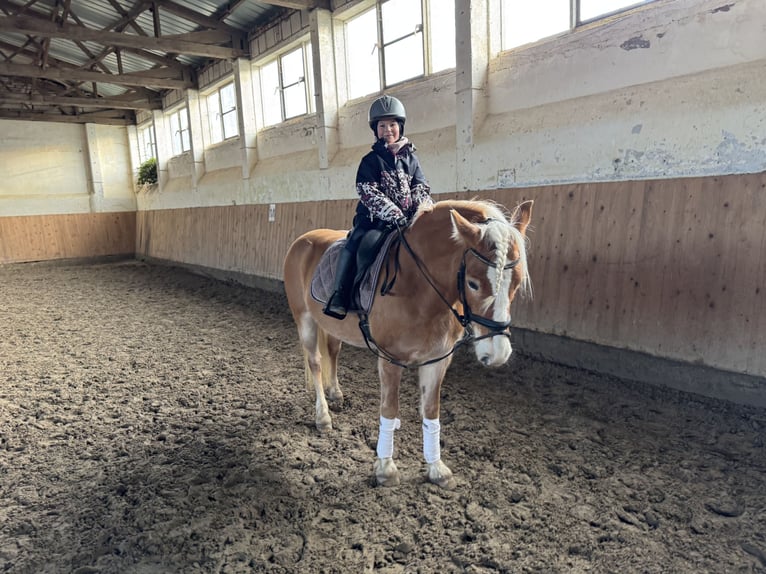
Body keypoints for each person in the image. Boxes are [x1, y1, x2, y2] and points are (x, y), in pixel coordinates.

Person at [323, 94, 433, 320]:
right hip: (374, 222)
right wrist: (394, 214)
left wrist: (419, 210)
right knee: (355, 243)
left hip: (407, 221)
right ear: (376, 129)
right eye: (382, 126)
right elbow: (367, 191)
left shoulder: (412, 160)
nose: (388, 130)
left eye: (392, 124)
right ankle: (340, 295)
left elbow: (421, 187)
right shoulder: (370, 160)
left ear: (400, 127)